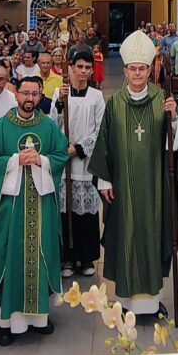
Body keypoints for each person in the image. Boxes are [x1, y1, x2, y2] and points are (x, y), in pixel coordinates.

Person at [87, 30, 178, 316]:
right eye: (132, 69)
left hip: (155, 186)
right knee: (125, 235)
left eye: (142, 68)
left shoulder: (163, 100)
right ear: (124, 70)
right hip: (121, 185)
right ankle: (124, 302)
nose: (137, 73)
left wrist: (174, 121)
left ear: (149, 69)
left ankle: (151, 302)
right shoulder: (115, 104)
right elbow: (104, 144)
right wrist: (105, 179)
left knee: (151, 233)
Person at [0, 76, 68, 346]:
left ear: (41, 96)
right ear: (16, 95)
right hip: (9, 209)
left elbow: (61, 154)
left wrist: (41, 159)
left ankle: (39, 317)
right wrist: (15, 160)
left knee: (40, 256)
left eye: (35, 94)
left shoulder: (49, 126)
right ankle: (7, 322)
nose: (29, 99)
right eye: (25, 94)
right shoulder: (1, 127)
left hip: (40, 206)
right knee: (9, 257)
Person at [49, 51, 105, 277]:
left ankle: (86, 258)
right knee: (65, 211)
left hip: (85, 161)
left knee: (86, 214)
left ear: (92, 70)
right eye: (79, 66)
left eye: (87, 67)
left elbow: (100, 128)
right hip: (64, 161)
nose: (83, 71)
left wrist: (79, 148)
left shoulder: (96, 96)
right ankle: (67, 259)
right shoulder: (59, 93)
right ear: (70, 67)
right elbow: (52, 125)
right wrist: (60, 105)